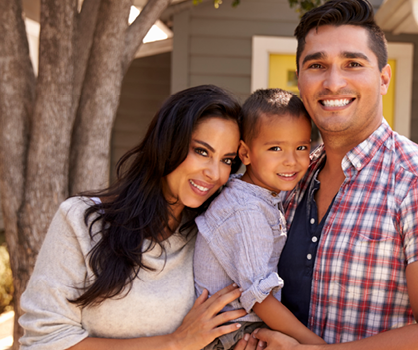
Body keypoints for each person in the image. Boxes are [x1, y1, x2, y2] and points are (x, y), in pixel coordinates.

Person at [254, 0, 418, 348]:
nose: (333, 82)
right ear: (300, 80)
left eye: (353, 64)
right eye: (317, 65)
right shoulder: (291, 179)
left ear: (383, 79)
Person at [18, 85, 261, 350]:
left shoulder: (210, 237)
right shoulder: (81, 221)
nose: (215, 174)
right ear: (168, 144)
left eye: (227, 160)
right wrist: (173, 344)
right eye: (202, 151)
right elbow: (44, 341)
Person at [194, 88, 326, 350]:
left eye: (301, 147)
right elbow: (260, 299)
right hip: (232, 333)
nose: (290, 160)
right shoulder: (248, 212)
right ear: (245, 154)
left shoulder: (255, 193)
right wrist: (319, 347)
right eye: (275, 148)